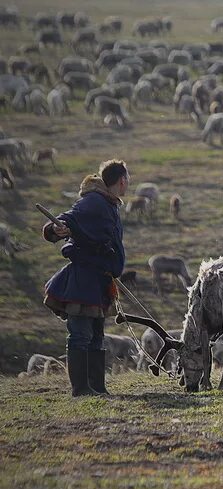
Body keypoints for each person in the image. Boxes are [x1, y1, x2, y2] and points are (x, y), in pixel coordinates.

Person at [42, 160, 129, 397]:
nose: (127, 185)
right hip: (83, 279)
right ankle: (81, 389)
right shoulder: (93, 202)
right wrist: (54, 229)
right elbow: (67, 218)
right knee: (80, 333)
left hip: (99, 279)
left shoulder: (109, 204)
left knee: (96, 334)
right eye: (126, 180)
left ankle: (96, 387)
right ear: (121, 180)